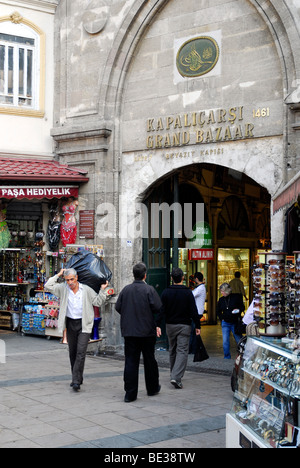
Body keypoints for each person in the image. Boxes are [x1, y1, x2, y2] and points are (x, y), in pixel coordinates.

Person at [45, 268, 109, 391]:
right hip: (70, 323)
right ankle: (78, 377)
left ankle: (75, 381)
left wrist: (102, 290)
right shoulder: (63, 288)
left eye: (72, 279)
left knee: (81, 352)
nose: (70, 282)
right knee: (73, 352)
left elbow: (98, 302)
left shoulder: (86, 290)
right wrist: (58, 274)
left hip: (84, 324)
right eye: (67, 280)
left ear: (77, 278)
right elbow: (48, 285)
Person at [115, 263, 162, 403]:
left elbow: (118, 307)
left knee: (130, 362)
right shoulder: (149, 290)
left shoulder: (126, 290)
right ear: (145, 275)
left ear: (133, 274)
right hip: (147, 331)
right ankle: (152, 388)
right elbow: (158, 307)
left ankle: (130, 393)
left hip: (130, 332)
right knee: (149, 360)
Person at [159, 268, 201, 389]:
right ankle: (176, 376)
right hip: (184, 325)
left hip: (170, 325)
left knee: (172, 349)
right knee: (182, 350)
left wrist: (157, 324)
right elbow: (194, 310)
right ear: (183, 278)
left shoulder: (166, 292)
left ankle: (174, 373)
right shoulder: (187, 292)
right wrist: (197, 325)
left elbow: (162, 310)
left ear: (172, 278)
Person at [216, 283, 245, 359]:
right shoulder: (221, 300)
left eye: (223, 291)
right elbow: (218, 311)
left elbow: (242, 307)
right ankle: (226, 356)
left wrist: (238, 310)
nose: (222, 293)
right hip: (225, 322)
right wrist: (222, 317)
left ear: (228, 291)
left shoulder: (236, 297)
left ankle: (243, 354)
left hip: (234, 322)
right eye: (221, 291)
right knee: (225, 341)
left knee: (239, 340)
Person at [189, 272, 206, 354]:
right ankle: (194, 348)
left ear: (196, 279)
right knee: (194, 330)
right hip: (197, 311)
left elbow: (191, 296)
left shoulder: (200, 288)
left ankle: (193, 349)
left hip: (197, 312)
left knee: (194, 330)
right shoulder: (200, 287)